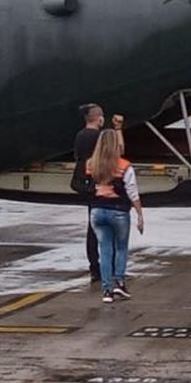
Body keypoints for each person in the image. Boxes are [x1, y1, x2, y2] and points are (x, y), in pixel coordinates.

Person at [87, 129, 145, 303]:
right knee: (120, 247)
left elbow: (87, 186)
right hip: (118, 211)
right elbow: (132, 192)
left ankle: (106, 291)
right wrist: (140, 215)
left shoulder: (91, 164)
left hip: (96, 211)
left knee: (105, 250)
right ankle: (119, 282)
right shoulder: (124, 165)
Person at [71, 103, 105, 284]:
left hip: (85, 184)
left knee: (92, 227)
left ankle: (94, 267)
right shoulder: (99, 137)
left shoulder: (80, 135)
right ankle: (106, 267)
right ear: (98, 117)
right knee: (105, 227)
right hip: (98, 182)